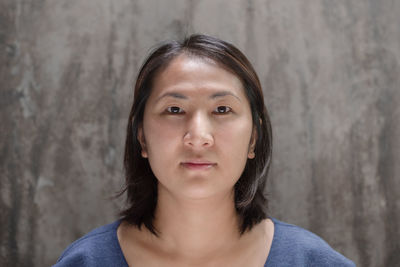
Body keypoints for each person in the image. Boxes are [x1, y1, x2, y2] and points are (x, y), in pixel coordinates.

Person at [54, 34, 355, 266]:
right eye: (174, 109)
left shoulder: (312, 260)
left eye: (222, 109)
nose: (198, 137)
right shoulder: (86, 261)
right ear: (141, 136)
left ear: (254, 138)